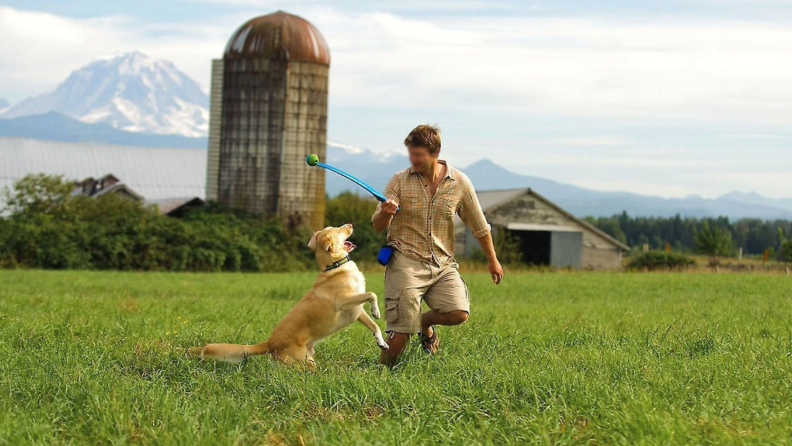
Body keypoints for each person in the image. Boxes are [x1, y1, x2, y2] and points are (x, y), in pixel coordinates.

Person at [371, 124, 503, 367]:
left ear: (435, 152)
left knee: (458, 313)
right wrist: (386, 213)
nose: (413, 160)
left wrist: (492, 259)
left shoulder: (460, 183)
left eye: (418, 155)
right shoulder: (399, 181)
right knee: (400, 337)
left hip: (442, 264)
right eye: (410, 154)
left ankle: (422, 323)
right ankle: (380, 376)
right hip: (405, 261)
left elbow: (480, 226)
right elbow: (377, 224)